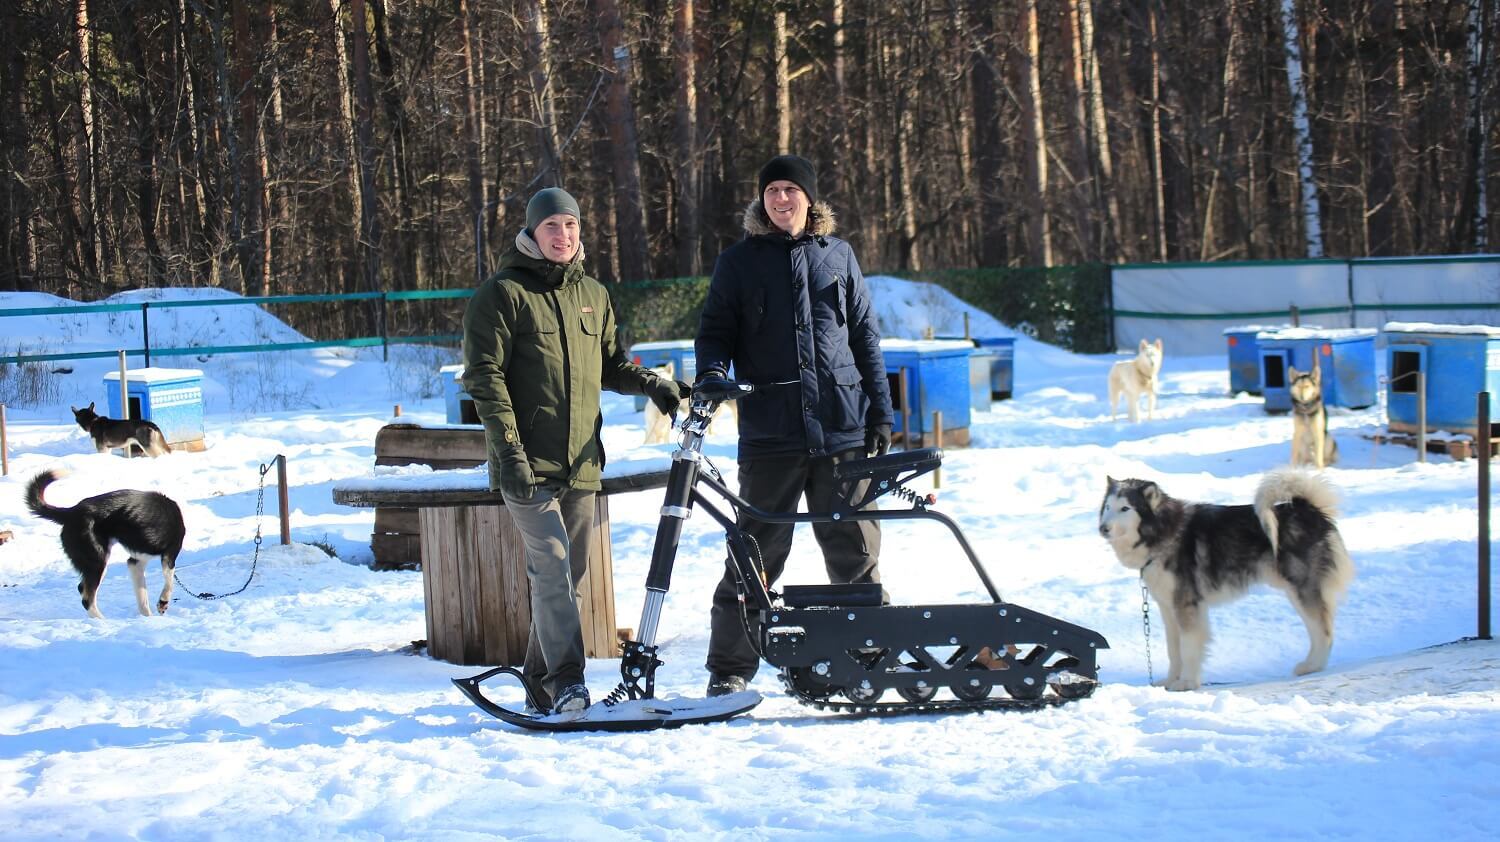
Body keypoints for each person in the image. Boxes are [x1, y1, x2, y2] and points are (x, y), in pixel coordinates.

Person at [462, 187, 688, 715]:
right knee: (553, 569)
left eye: (570, 225)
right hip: (527, 464)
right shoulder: (502, 294)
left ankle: (539, 680)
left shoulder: (593, 294)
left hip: (582, 461)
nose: (562, 236)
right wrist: (509, 452)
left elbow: (610, 365)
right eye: (551, 227)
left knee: (572, 580)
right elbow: (484, 378)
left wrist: (652, 383)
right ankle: (568, 681)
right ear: (531, 233)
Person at [694, 154, 894, 697]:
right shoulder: (738, 263)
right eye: (772, 191)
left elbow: (865, 338)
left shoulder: (839, 255)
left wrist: (881, 409)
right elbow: (715, 332)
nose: (781, 199)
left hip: (842, 427)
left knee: (855, 549)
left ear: (810, 199)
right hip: (771, 434)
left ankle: (869, 655)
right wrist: (712, 370)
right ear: (761, 200)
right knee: (755, 551)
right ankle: (730, 669)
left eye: (791, 190)